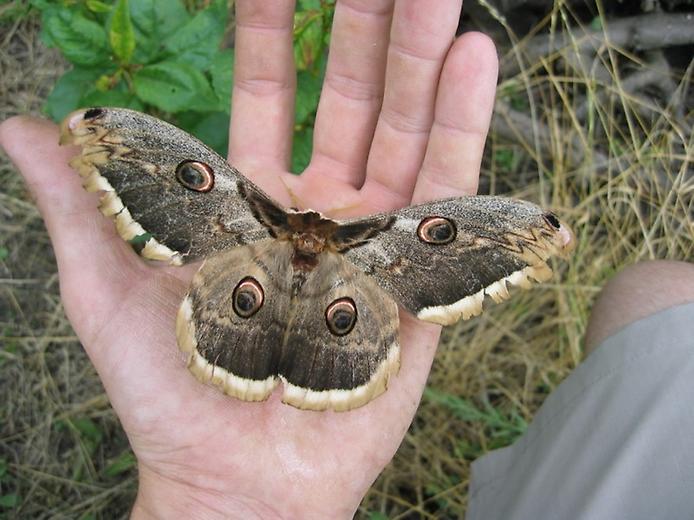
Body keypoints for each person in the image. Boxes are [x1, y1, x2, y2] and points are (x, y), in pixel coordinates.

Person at [1, 1, 692, 518]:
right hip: (335, 285)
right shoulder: (366, 239)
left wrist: (522, 235)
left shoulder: (254, 213)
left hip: (277, 275)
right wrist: (114, 143)